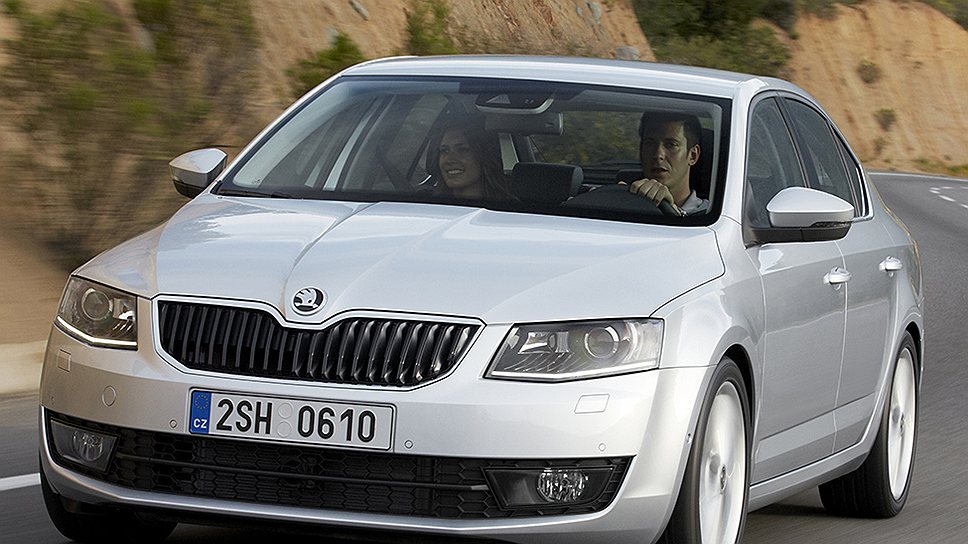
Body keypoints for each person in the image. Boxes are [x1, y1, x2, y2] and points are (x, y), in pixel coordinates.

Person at [627, 112, 708, 215]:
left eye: (671, 145)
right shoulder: (624, 208)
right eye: (650, 144)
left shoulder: (712, 216)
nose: (658, 155)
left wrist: (675, 213)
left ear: (693, 155)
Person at [425, 116, 512, 200]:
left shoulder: (509, 207)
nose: (450, 159)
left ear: (484, 156)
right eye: (444, 151)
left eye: (462, 149)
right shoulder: (424, 202)